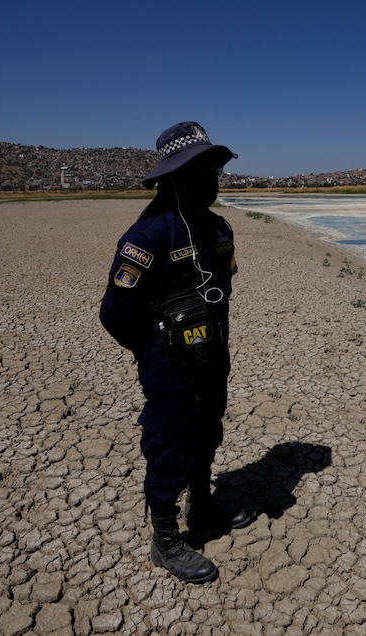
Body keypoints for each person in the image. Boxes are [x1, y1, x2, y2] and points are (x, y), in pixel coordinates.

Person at [100, 122, 253, 584]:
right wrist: (156, 352)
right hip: (169, 371)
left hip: (212, 362)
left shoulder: (217, 228)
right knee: (169, 448)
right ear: (170, 176)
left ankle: (203, 504)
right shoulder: (147, 237)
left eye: (212, 167)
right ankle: (166, 539)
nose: (209, 177)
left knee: (208, 433)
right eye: (195, 169)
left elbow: (219, 292)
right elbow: (115, 314)